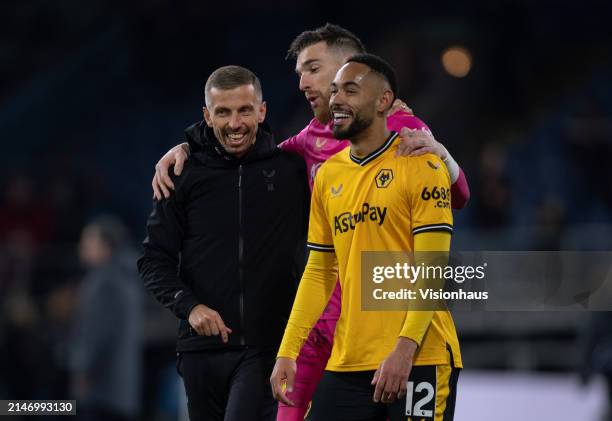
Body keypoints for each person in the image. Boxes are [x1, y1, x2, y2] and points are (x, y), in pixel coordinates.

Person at [151, 24, 470, 421]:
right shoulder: (313, 148)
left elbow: (456, 203)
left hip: (408, 338)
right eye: (301, 72)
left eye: (313, 69)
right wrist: (190, 146)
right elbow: (247, 157)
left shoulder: (408, 135)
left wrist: (443, 156)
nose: (303, 82)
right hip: (327, 332)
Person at [270, 54, 461, 420]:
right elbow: (319, 271)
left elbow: (432, 268)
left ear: (383, 101)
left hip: (421, 356)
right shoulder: (328, 176)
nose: (337, 99)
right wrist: (287, 351)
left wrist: (404, 351)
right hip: (347, 362)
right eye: (335, 90)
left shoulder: (422, 164)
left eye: (351, 90)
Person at [137, 65, 310, 421]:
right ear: (207, 115)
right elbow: (153, 260)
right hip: (199, 351)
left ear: (262, 110)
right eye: (223, 112)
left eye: (245, 110)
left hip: (265, 349)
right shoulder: (182, 175)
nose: (235, 124)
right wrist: (190, 306)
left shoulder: (291, 171)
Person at [71, 215, 143, 421]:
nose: (82, 246)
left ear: (106, 245)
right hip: (123, 390)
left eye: (88, 241)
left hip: (100, 390)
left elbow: (98, 333)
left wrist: (83, 369)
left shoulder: (105, 282)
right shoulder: (128, 279)